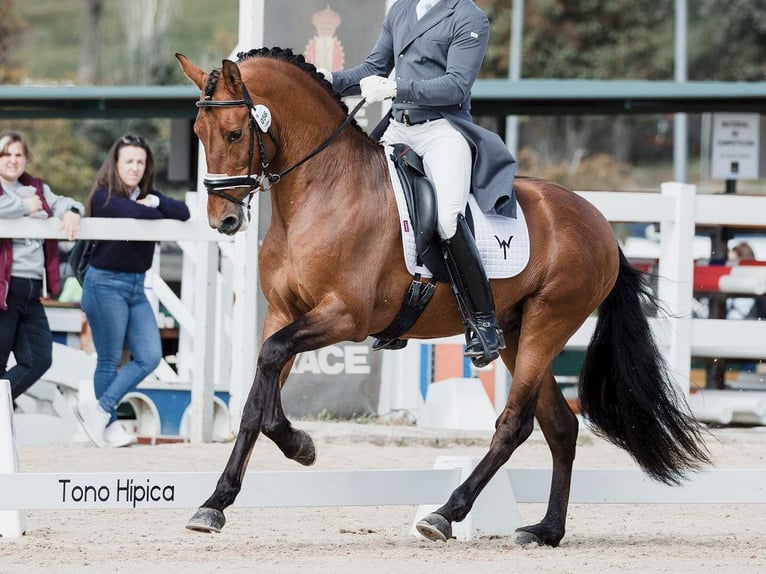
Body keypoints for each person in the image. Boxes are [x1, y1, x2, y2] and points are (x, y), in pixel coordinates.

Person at [325, 0, 517, 367]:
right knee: (367, 207)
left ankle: (482, 322)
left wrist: (397, 89)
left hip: (443, 129)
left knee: (446, 218)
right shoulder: (401, 9)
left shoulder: (467, 16)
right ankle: (391, 313)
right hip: (398, 127)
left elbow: (456, 86)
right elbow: (373, 67)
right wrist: (327, 81)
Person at [74, 134, 190, 448]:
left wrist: (156, 201)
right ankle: (107, 426)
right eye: (129, 161)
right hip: (104, 284)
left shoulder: (147, 195)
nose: (135, 167)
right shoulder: (103, 196)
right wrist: (153, 210)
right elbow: (139, 217)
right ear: (115, 163)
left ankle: (98, 410)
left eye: (141, 162)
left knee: (150, 356)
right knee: (110, 360)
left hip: (137, 286)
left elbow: (183, 212)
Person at [0, 131, 84, 404]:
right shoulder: (17, 195)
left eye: (18, 155)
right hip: (4, 287)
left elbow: (63, 203)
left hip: (32, 290)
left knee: (39, 358)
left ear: (26, 159)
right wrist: (23, 206)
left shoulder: (37, 188)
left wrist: (72, 211)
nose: (13, 160)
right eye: (6, 154)